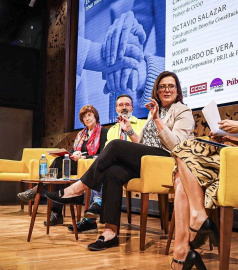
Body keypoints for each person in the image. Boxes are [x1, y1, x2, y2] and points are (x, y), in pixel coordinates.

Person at [46, 71, 195, 251]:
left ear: (178, 90)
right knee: (112, 172)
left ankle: (78, 188)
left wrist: (157, 120)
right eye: (162, 86)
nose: (166, 90)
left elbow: (176, 145)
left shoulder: (183, 111)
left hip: (167, 162)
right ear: (157, 89)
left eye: (171, 86)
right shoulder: (156, 110)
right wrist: (130, 131)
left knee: (116, 145)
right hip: (149, 160)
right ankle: (110, 232)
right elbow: (144, 145)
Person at [170, 35, 238, 270]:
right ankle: (182, 251)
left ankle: (196, 222)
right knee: (180, 175)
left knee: (184, 149)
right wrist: (230, 137)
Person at [17, 105, 108, 226]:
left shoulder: (103, 132)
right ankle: (56, 213)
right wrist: (73, 154)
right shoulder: (80, 135)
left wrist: (84, 157)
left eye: (89, 115)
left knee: (60, 166)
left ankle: (38, 189)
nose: (87, 118)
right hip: (78, 164)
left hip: (92, 166)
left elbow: (102, 154)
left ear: (95, 116)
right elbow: (71, 153)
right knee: (60, 165)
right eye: (84, 117)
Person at [68, 94, 146, 233]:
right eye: (120, 105)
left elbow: (145, 148)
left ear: (132, 107)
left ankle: (92, 210)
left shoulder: (142, 124)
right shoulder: (112, 130)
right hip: (117, 169)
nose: (124, 107)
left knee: (104, 164)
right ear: (116, 109)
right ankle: (95, 212)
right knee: (105, 166)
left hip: (137, 165)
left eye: (127, 105)